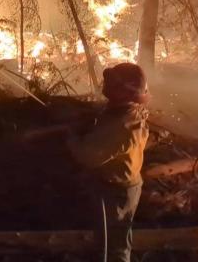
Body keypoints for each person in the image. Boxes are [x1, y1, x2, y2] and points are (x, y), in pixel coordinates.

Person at [67, 63, 150, 262]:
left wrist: (72, 138)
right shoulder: (127, 111)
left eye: (113, 82)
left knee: (113, 249)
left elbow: (88, 156)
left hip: (116, 193)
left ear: (124, 91)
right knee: (113, 243)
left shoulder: (122, 125)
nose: (107, 85)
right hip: (122, 186)